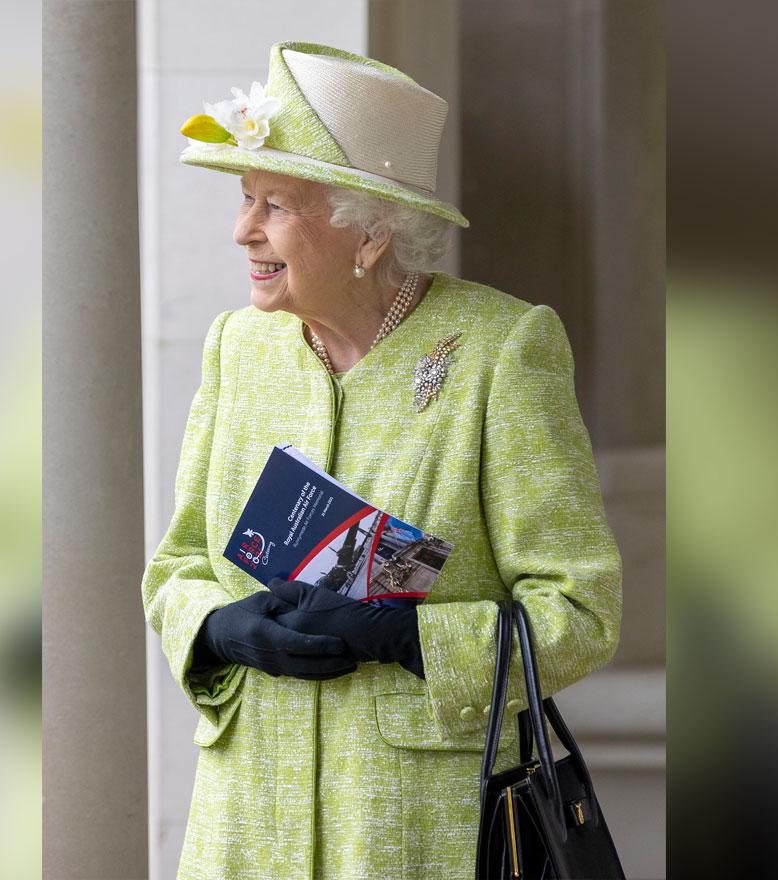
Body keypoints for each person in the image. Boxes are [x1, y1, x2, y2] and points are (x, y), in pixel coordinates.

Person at [141, 40, 622, 880]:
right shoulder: (238, 347)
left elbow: (582, 611)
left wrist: (411, 636)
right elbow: (178, 565)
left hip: (418, 835)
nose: (241, 230)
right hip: (250, 825)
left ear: (366, 228)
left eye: (275, 205)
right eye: (245, 198)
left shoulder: (501, 351)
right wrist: (219, 628)